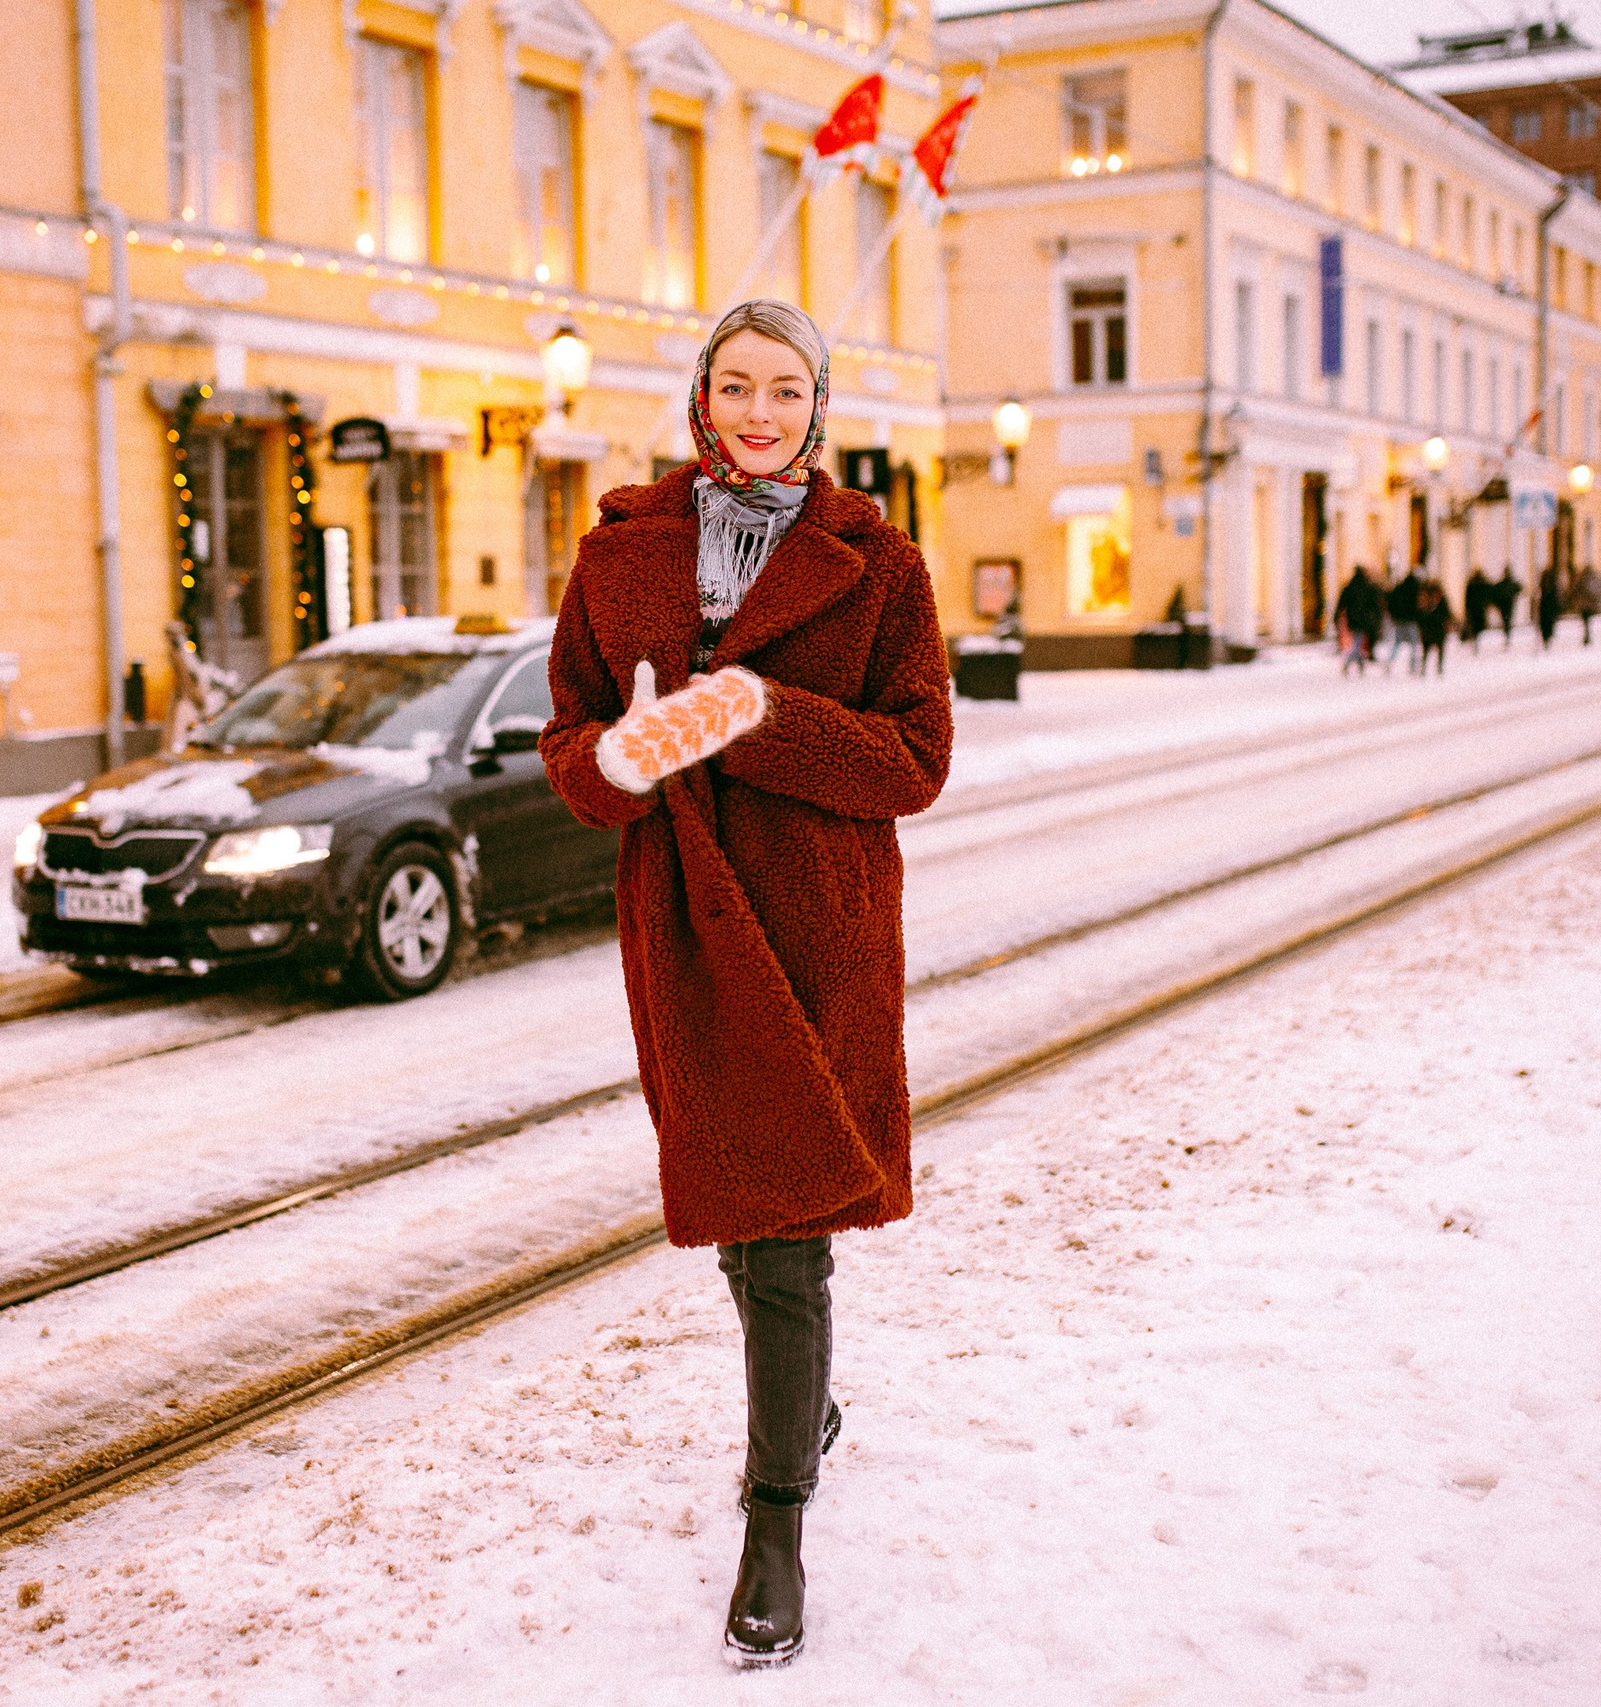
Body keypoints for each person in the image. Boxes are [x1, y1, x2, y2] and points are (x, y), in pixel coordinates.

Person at [540, 299, 952, 1671]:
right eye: (737, 386)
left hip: (820, 932)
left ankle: (775, 1519)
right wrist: (634, 754)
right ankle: (807, 1407)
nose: (761, 411)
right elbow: (570, 748)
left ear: (821, 406)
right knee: (737, 1204)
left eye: (787, 388)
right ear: (702, 397)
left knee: (787, 1229)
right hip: (686, 924)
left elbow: (914, 761)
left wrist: (761, 717)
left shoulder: (878, 562)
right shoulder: (620, 553)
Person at [1332, 564, 1384, 675]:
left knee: (1358, 642)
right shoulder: (1368, 587)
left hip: (1353, 620)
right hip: (1365, 621)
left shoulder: (1349, 587)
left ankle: (1360, 666)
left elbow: (1341, 604)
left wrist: (1337, 616)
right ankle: (1348, 663)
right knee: (1357, 644)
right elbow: (1375, 605)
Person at [1383, 564, 1424, 671]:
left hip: (1399, 620)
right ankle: (1413, 666)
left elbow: (1391, 602)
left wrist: (1394, 616)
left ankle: (1390, 662)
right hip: (1411, 620)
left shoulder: (1399, 587)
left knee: (1397, 643)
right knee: (1414, 644)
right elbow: (1418, 607)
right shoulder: (1416, 589)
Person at [1414, 577, 1451, 675]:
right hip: (1436, 629)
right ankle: (1437, 668)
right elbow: (1446, 614)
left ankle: (1427, 669)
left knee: (1427, 651)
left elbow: (1419, 615)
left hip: (1430, 629)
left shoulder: (1424, 600)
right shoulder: (1438, 600)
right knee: (1436, 650)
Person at [1573, 562, 1601, 645]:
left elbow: (1576, 591)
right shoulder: (1593, 578)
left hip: (1584, 605)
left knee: (1586, 622)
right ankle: (1587, 636)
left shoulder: (1582, 579)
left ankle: (1587, 636)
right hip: (1588, 604)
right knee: (1587, 622)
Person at [1463, 567, 1493, 653]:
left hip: (1474, 609)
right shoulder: (1481, 583)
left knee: (1475, 626)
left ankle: (1475, 639)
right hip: (1479, 609)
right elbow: (1488, 594)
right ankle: (1475, 640)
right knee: (1478, 626)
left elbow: (1467, 598)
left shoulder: (1472, 584)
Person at [1493, 565, 1522, 648]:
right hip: (1507, 605)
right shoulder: (1509, 583)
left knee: (1507, 621)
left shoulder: (1507, 583)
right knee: (1507, 620)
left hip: (1506, 605)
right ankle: (1507, 635)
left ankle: (1507, 635)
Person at [1536, 564, 1563, 650]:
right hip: (1548, 607)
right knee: (1547, 623)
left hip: (1547, 607)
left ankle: (1546, 638)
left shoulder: (1546, 585)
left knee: (1546, 624)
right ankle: (1547, 638)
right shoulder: (1551, 585)